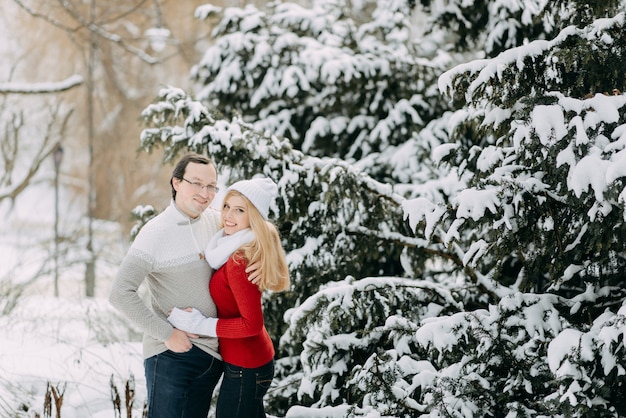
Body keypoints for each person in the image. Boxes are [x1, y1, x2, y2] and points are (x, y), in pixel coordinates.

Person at [109, 153, 225, 418]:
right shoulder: (156, 232)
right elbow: (120, 293)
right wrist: (167, 334)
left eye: (211, 186)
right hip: (172, 355)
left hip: (211, 356)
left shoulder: (215, 222)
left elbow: (256, 230)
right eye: (196, 183)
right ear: (176, 182)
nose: (204, 193)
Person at [168, 177, 290, 418]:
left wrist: (201, 324)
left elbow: (252, 325)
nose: (228, 216)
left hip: (247, 365)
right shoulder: (229, 244)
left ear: (253, 217)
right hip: (248, 361)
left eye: (239, 210)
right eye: (227, 206)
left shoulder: (238, 260)